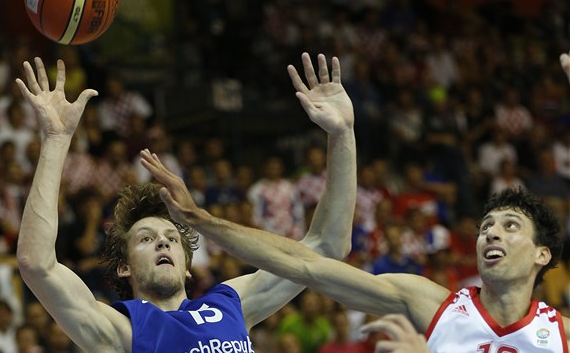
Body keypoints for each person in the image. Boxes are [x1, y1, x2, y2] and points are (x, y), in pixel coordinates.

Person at [142, 52, 570, 352]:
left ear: (542, 254)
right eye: (486, 226)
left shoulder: (563, 335)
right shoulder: (430, 304)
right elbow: (309, 262)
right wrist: (201, 219)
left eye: (510, 225)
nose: (490, 232)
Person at [15, 51, 356, 352]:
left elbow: (327, 245)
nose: (162, 240)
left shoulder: (231, 303)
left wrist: (342, 134)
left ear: (187, 264)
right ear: (125, 267)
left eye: (171, 238)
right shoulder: (123, 331)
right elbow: (37, 264)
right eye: (146, 239)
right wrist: (56, 140)